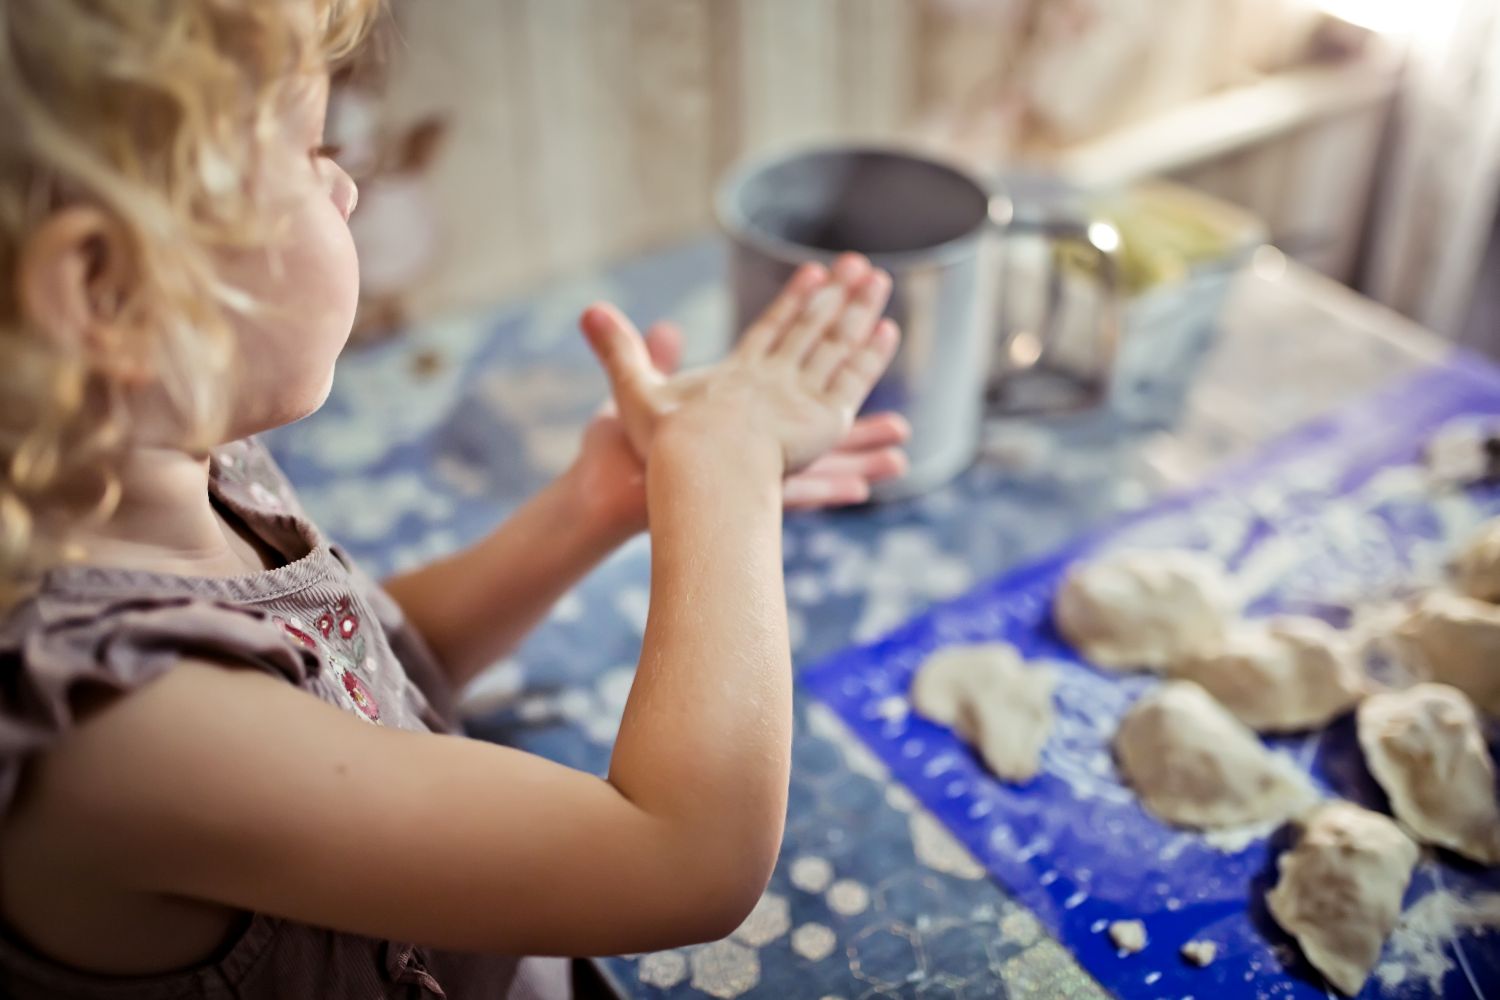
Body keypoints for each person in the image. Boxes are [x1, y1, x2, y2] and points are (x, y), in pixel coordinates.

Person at [0, 2, 907, 996]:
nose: (344, 184)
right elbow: (684, 856)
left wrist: (589, 508)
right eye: (311, 149)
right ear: (103, 292)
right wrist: (721, 465)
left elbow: (351, 684)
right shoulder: (125, 740)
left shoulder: (149, 467)